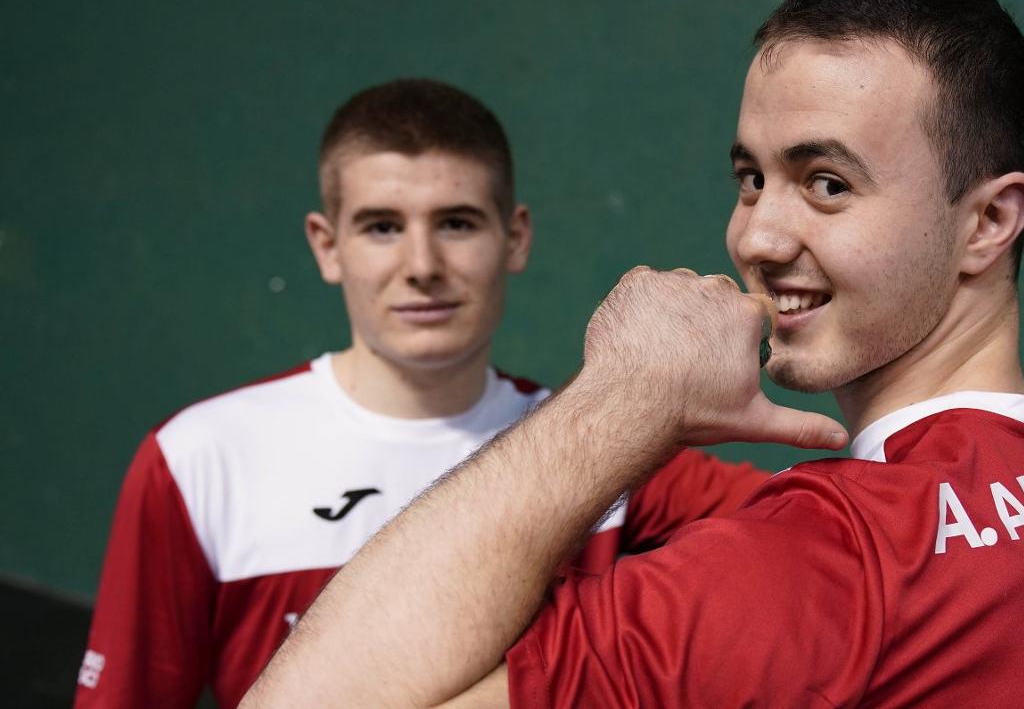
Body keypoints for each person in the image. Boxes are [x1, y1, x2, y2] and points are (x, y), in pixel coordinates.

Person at [242, 0, 1024, 709]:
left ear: (989, 221)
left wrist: (626, 394)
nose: (756, 237)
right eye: (751, 178)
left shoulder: (813, 563)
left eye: (828, 182)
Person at [73, 79, 774, 709]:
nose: (421, 267)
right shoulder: (201, 457)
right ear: (326, 246)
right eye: (382, 227)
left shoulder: (608, 451)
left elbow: (838, 551)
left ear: (515, 237)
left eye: (456, 223)